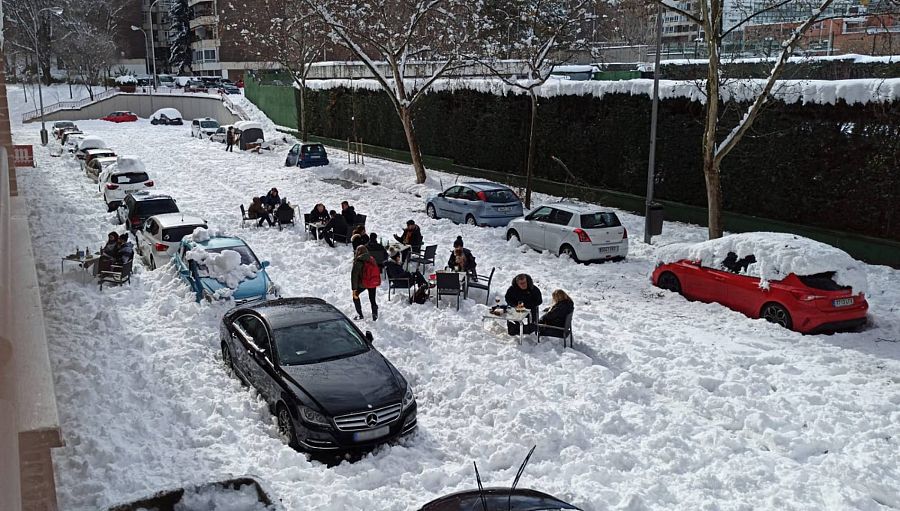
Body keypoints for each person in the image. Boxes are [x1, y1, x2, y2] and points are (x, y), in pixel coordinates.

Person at [350, 245, 380, 321]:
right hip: (372, 282)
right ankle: (375, 316)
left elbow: (354, 276)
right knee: (372, 299)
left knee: (355, 296)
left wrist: (354, 289)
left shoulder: (358, 261)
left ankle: (360, 314)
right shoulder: (371, 259)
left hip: (362, 283)